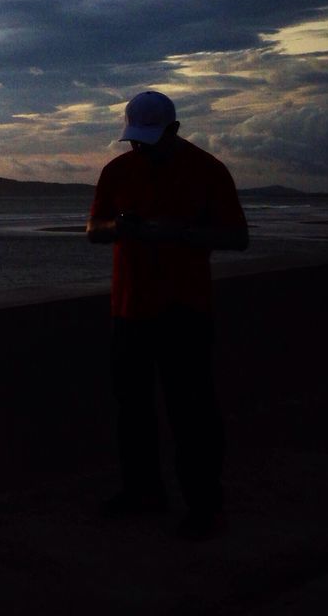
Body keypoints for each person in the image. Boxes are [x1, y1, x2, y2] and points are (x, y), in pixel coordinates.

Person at [86, 90, 248, 540]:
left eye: (147, 139)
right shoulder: (117, 171)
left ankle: (204, 505)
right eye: (135, 140)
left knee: (192, 413)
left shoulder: (208, 170)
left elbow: (238, 236)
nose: (140, 147)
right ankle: (143, 492)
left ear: (173, 130)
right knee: (131, 409)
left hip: (185, 311)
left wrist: (184, 235)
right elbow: (93, 229)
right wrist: (119, 227)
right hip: (129, 309)